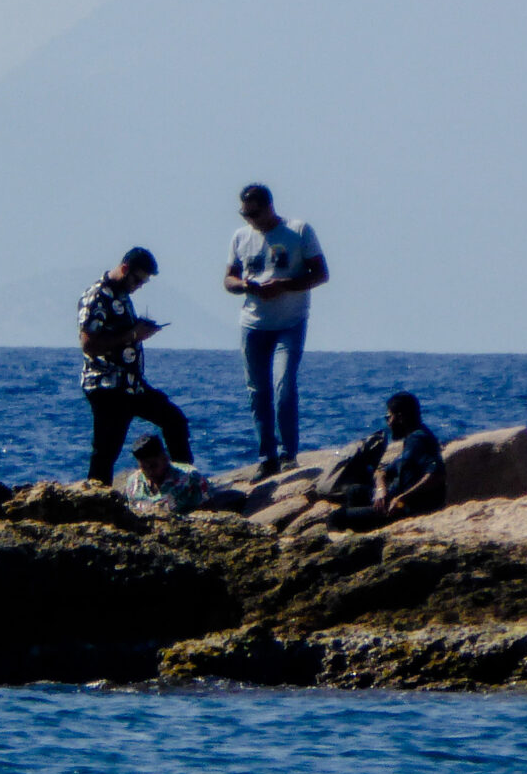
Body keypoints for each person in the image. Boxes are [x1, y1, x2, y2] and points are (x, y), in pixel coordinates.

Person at [224, 183, 327, 479]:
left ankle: (288, 454)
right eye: (245, 214)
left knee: (283, 387)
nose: (249, 220)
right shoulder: (240, 236)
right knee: (257, 392)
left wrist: (283, 285)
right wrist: (246, 286)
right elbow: (228, 279)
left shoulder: (298, 230)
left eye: (254, 213)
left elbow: (320, 273)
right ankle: (266, 456)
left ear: (268, 206)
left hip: (290, 323)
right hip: (253, 324)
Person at [78, 246, 192, 484]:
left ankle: (186, 483)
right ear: (125, 269)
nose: (139, 286)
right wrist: (132, 336)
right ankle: (95, 502)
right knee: (106, 451)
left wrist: (139, 329)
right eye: (137, 280)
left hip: (131, 385)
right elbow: (88, 344)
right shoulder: (97, 296)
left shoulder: (121, 297)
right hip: (107, 386)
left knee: (174, 421)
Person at [325, 391, 446, 531]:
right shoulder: (412, 439)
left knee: (335, 518)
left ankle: (356, 536)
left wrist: (402, 498)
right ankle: (362, 530)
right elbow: (382, 472)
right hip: (394, 498)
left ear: (400, 418)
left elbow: (436, 475)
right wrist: (381, 490)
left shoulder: (419, 440)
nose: (388, 422)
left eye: (388, 417)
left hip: (406, 508)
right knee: (355, 491)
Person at [122, 434, 239, 516]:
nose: (149, 472)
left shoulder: (189, 478)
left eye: (153, 466)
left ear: (165, 458)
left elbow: (210, 509)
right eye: (143, 467)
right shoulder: (134, 483)